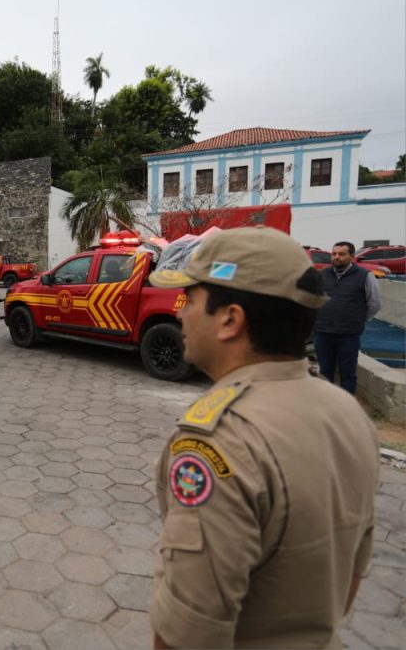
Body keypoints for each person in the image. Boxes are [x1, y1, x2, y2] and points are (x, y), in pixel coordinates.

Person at [146, 227, 379, 649]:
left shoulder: (219, 443)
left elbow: (189, 630)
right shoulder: (347, 412)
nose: (179, 312)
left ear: (230, 319)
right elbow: (350, 580)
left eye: (191, 299)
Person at [313, 241, 381, 394]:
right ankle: (327, 406)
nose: (337, 257)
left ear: (352, 256)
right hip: (323, 333)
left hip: (348, 335)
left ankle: (348, 409)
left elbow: (374, 304)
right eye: (334, 254)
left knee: (348, 373)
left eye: (342, 254)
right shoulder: (322, 275)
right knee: (325, 372)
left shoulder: (365, 276)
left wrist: (357, 320)